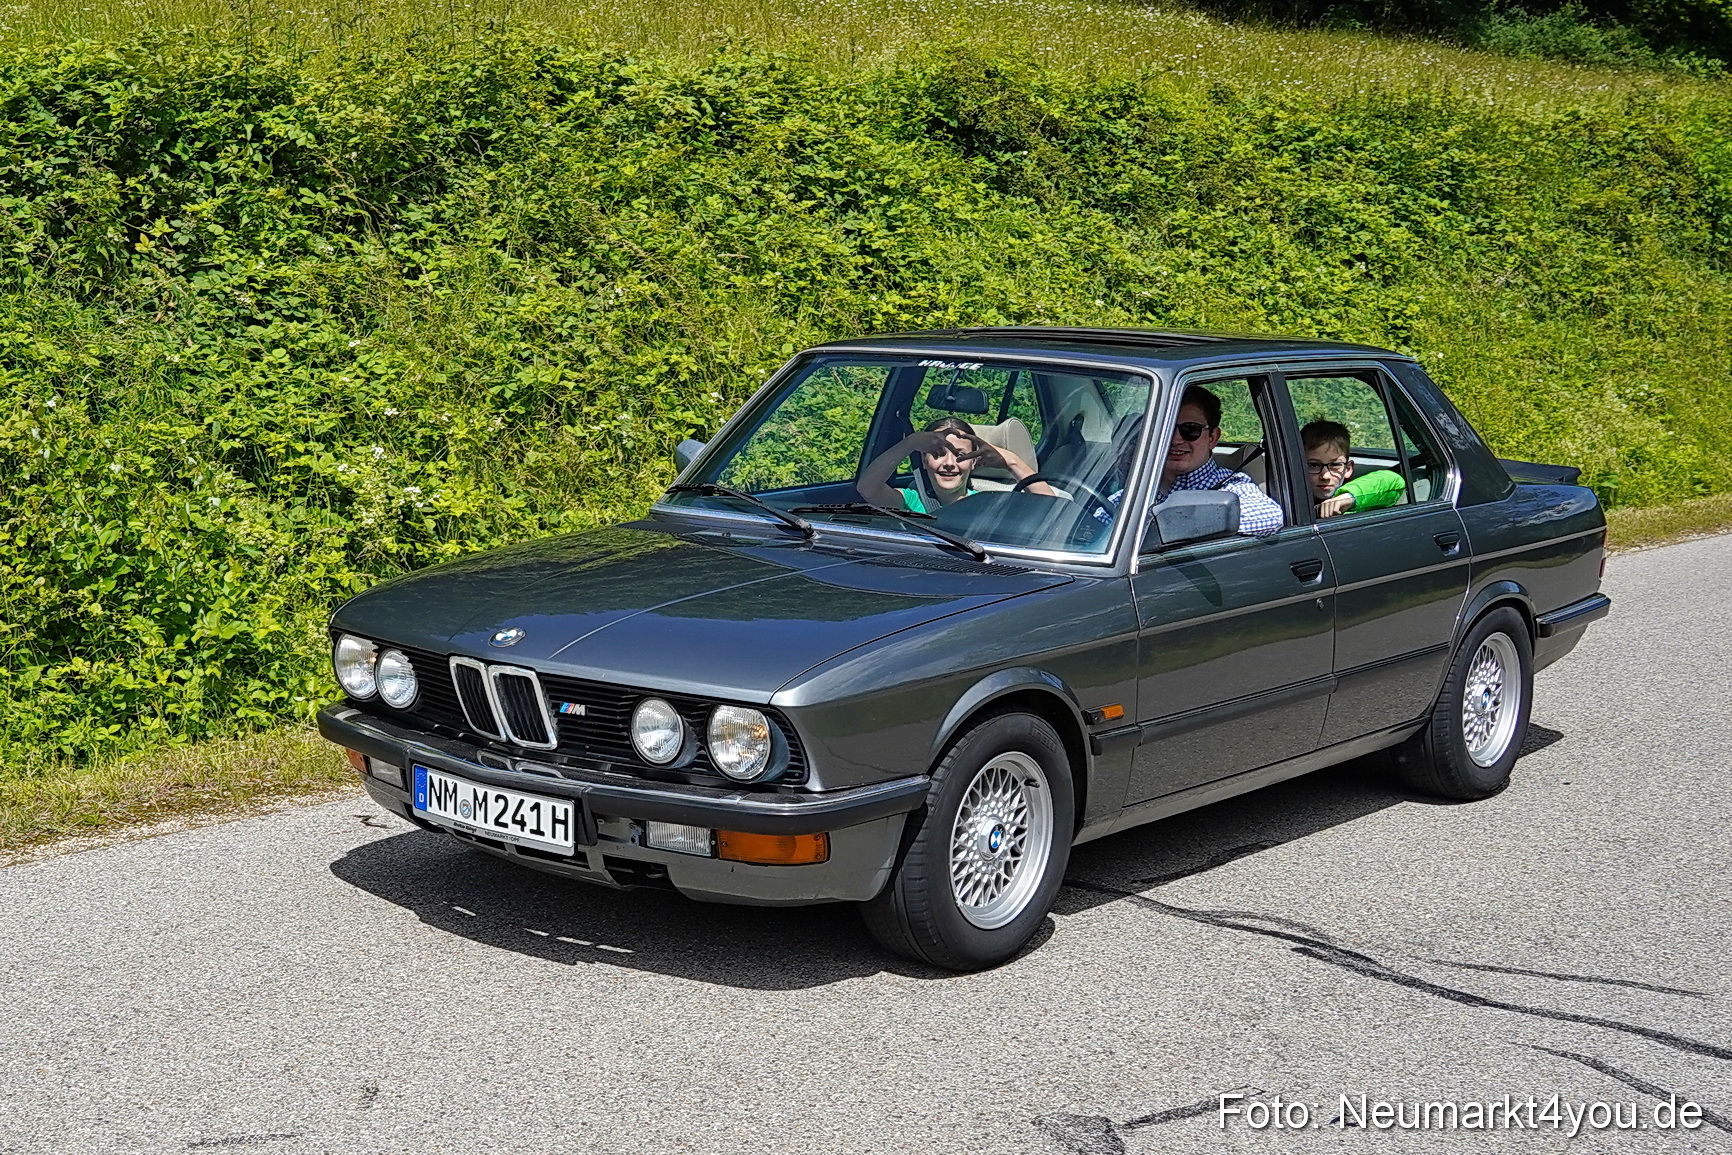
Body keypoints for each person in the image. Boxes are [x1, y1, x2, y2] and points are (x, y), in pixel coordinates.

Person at [855, 416, 1052, 514]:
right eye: (938, 454)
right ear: (924, 460)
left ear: (974, 461)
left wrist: (1011, 461)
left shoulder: (990, 504)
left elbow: (1051, 508)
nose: (949, 463)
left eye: (960, 455)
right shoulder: (911, 501)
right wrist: (909, 444)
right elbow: (867, 488)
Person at [1301, 419, 1406, 518]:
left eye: (1334, 465)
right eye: (1314, 465)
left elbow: (1395, 482)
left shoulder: (1358, 500)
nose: (1325, 476)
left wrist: (1349, 497)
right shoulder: (1295, 501)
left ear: (1348, 469)